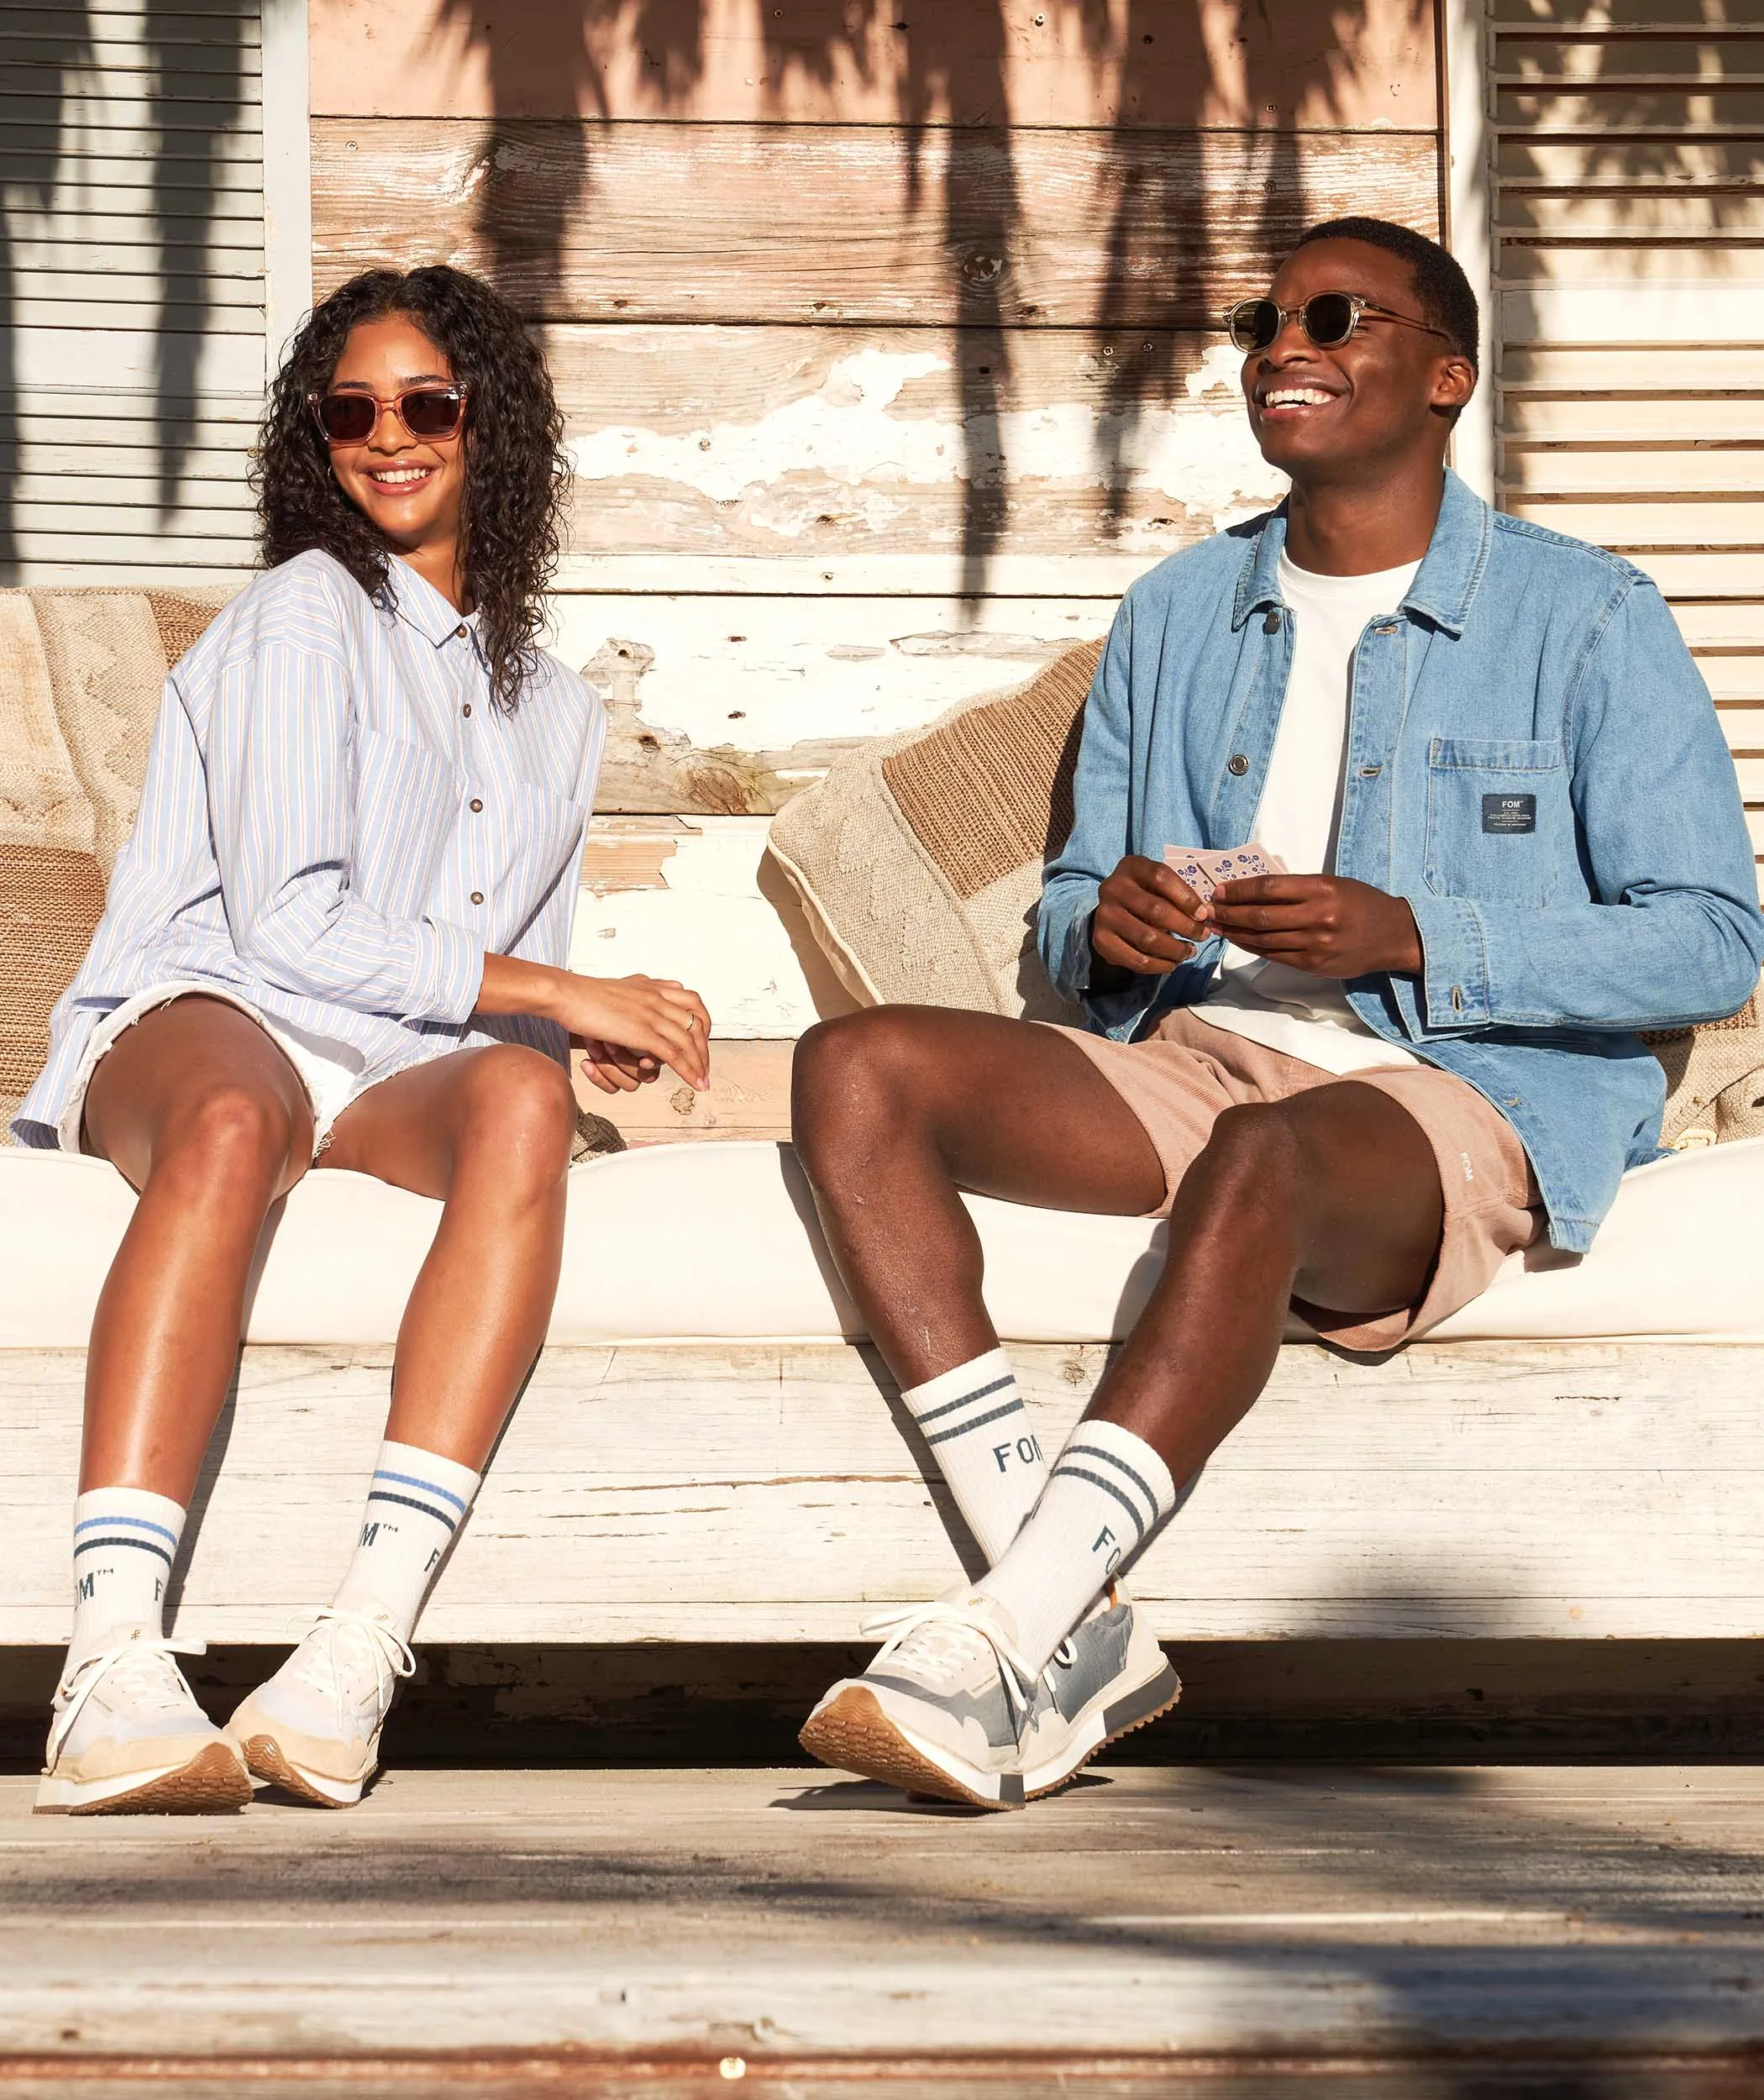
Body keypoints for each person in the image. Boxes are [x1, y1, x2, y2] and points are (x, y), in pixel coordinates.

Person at [789, 217, 1764, 1811]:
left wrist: (1421, 932)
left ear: (1445, 377)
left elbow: (1712, 942)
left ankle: (1008, 1628)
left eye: (1336, 315)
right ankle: (1073, 1620)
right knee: (856, 1067)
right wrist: (1109, 928)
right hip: (1200, 1045)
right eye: (1265, 320)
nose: (1283, 347)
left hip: (1465, 1084)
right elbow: (1071, 900)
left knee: (1264, 1155)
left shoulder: (1586, 619)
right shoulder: (1180, 611)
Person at [15, 265, 711, 1814]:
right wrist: (555, 989)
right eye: (348, 411)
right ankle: (111, 1661)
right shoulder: (301, 618)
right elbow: (284, 928)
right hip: (217, 1013)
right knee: (231, 1127)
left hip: (392, 1065)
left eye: (425, 405)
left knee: (527, 1107)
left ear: (491, 422)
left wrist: (561, 1024)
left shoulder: (559, 714)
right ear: (311, 439)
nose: (385, 439)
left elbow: (505, 967)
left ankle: (354, 1647)